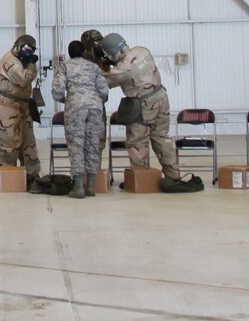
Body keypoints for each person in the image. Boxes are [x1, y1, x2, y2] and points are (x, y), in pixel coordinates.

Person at [101, 33, 176, 179]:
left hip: (144, 105)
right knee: (162, 138)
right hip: (162, 97)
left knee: (137, 142)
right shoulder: (142, 50)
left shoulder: (122, 69)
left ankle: (141, 179)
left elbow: (104, 81)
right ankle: (174, 176)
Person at [59, 39, 108, 198]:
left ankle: (78, 187)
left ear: (69, 53)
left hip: (75, 108)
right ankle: (91, 186)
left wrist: (63, 99)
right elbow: (104, 90)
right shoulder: (94, 67)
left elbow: (57, 89)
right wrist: (97, 101)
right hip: (95, 108)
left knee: (76, 144)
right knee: (93, 144)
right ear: (83, 52)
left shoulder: (65, 66)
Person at [0, 35, 40, 172]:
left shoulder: (23, 61)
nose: (28, 51)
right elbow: (24, 79)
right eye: (25, 48)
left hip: (24, 105)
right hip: (8, 106)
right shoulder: (10, 61)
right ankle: (7, 176)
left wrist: (29, 63)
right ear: (18, 46)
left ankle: (32, 176)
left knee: (28, 142)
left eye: (31, 49)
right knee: (10, 143)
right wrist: (31, 65)